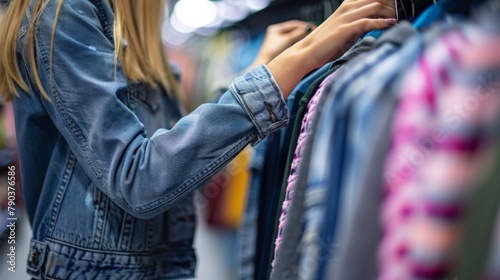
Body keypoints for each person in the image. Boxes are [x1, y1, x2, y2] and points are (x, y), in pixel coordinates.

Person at [0, 0, 395, 278]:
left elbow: (171, 157)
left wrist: (258, 71)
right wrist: (299, 59)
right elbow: (140, 178)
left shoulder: (128, 28)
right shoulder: (63, 11)